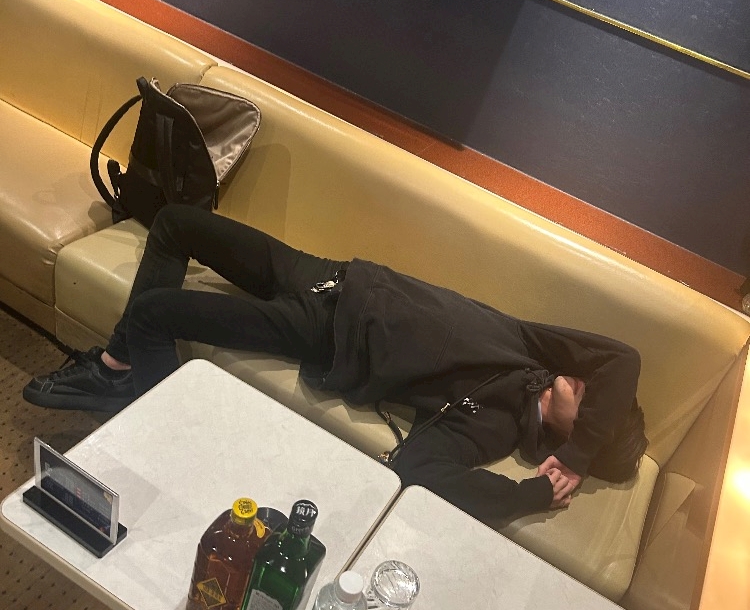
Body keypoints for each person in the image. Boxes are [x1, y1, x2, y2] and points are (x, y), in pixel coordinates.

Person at [24, 206, 647, 523]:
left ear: (570, 432)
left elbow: (419, 468)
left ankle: (139, 409)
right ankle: (118, 370)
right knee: (175, 223)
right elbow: (625, 357)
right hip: (328, 275)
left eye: (591, 405)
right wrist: (582, 452)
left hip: (322, 332)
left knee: (155, 314)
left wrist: (529, 493)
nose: (584, 381)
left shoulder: (496, 426)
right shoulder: (536, 350)